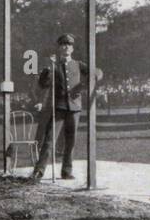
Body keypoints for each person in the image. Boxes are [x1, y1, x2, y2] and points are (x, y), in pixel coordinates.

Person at [32, 33, 101, 181]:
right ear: (59, 48)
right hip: (59, 108)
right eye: (63, 44)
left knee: (71, 141)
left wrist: (82, 86)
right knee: (50, 139)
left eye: (69, 45)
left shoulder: (78, 64)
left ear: (72, 48)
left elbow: (97, 73)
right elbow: (43, 84)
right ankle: (39, 170)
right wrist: (48, 69)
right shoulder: (53, 66)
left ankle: (66, 171)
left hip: (75, 108)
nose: (66, 47)